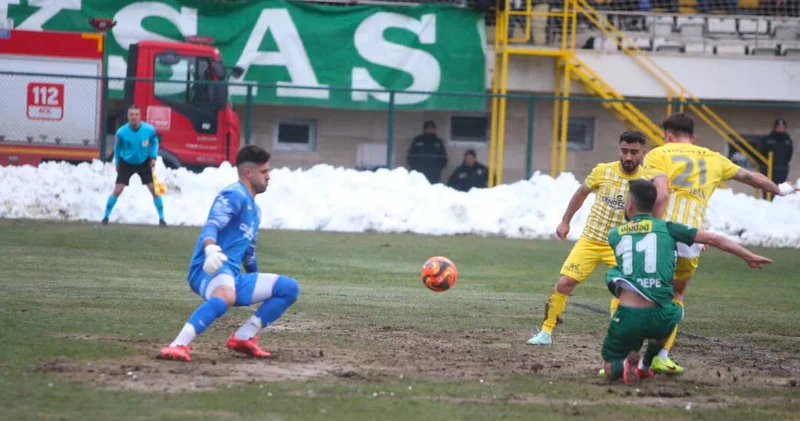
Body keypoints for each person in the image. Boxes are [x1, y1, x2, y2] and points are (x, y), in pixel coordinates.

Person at [643, 113, 798, 374]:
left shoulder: (658, 154)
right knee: (676, 296)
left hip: (663, 233)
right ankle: (662, 354)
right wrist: (782, 190)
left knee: (643, 294)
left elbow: (662, 192)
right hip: (692, 238)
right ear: (693, 137)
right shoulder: (713, 157)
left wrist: (651, 228)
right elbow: (751, 178)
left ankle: (631, 356)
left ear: (668, 135)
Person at [601, 179, 772, 385]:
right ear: (654, 204)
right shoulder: (669, 228)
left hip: (629, 317)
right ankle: (645, 366)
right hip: (661, 317)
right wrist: (748, 256)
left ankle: (624, 365)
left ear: (629, 205)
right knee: (677, 309)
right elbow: (714, 239)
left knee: (610, 369)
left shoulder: (614, 235)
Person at [158, 145, 300, 362]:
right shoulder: (234, 194)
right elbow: (212, 224)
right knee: (226, 295)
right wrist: (210, 248)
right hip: (208, 268)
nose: (269, 177)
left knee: (288, 288)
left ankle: (243, 337)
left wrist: (257, 285)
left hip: (231, 275)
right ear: (248, 173)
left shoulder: (255, 210)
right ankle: (177, 345)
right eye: (264, 172)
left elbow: (248, 254)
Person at [528, 131, 646, 346]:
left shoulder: (647, 179)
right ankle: (545, 332)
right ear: (619, 150)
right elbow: (581, 193)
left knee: (624, 291)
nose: (628, 157)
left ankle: (619, 338)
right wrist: (565, 221)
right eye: (625, 151)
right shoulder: (603, 171)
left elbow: (661, 208)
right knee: (565, 283)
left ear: (643, 153)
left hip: (622, 246)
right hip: (591, 240)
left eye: (634, 152)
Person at [102, 105, 166, 226]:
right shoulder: (121, 132)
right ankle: (105, 217)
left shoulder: (149, 130)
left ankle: (162, 219)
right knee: (118, 190)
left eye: (136, 115)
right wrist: (117, 162)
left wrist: (153, 157)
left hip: (144, 163)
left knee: (154, 190)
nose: (134, 117)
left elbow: (155, 141)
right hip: (127, 163)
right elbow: (117, 148)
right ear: (128, 116)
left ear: (140, 116)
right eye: (131, 115)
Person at [759, 119, 794, 200]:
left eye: (782, 127)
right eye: (778, 127)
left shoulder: (787, 140)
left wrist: (783, 165)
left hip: (781, 169)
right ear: (775, 128)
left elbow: (789, 154)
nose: (780, 129)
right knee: (767, 189)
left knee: (780, 190)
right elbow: (761, 152)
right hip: (768, 169)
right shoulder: (767, 139)